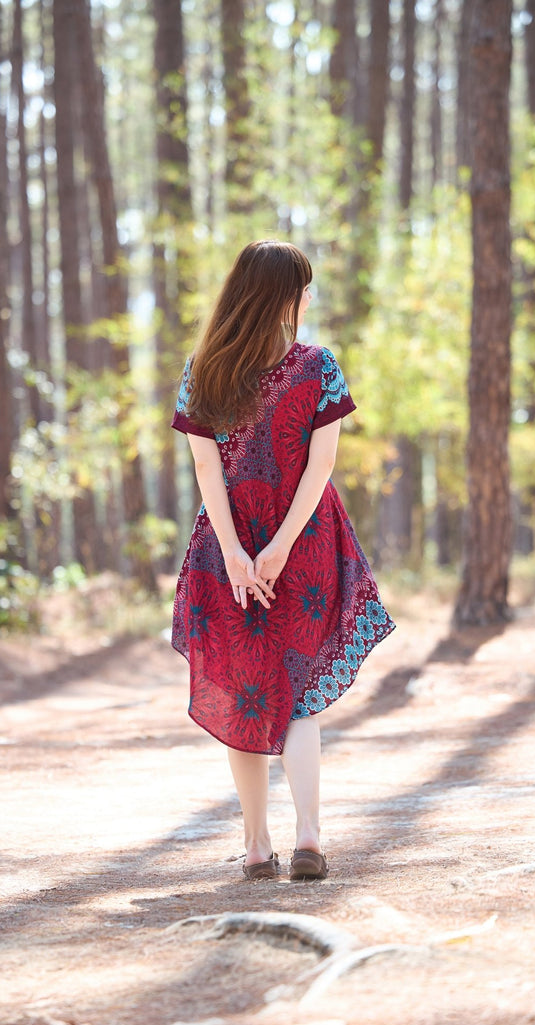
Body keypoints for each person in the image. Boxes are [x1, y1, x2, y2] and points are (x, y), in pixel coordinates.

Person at [170, 239, 395, 881]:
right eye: (303, 288)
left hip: (227, 549)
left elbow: (205, 471)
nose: (308, 299)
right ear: (284, 296)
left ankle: (256, 848)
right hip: (305, 543)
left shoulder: (202, 370)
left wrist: (239, 553)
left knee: (246, 695)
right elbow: (321, 467)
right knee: (298, 697)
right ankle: (311, 840)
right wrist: (278, 547)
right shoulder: (319, 365)